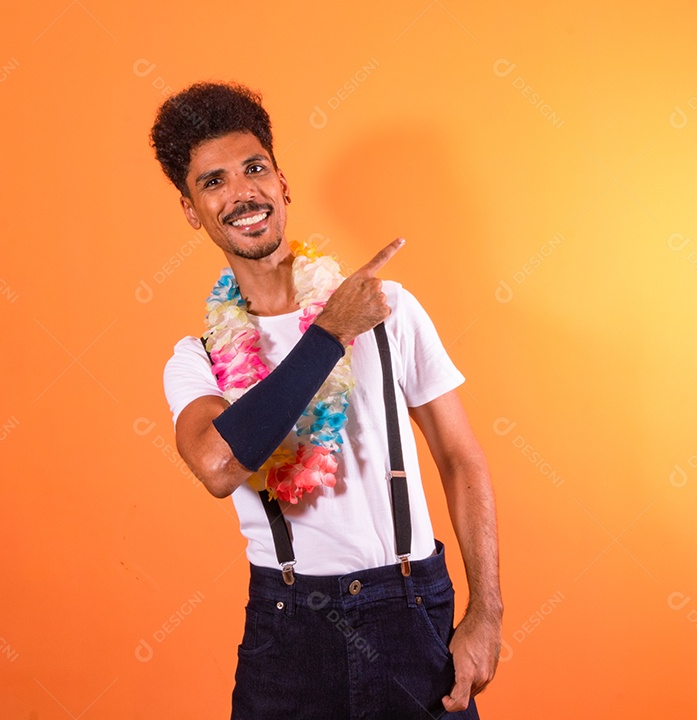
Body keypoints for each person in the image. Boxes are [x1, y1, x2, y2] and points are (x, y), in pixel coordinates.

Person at [151, 81, 501, 719]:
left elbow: (461, 457)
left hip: (412, 612)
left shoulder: (392, 309)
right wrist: (330, 332)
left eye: (254, 169)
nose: (242, 194)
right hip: (287, 631)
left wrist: (486, 613)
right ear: (192, 210)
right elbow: (217, 465)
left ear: (282, 183)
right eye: (214, 182)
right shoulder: (197, 358)